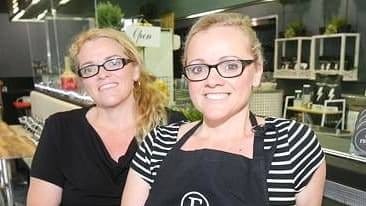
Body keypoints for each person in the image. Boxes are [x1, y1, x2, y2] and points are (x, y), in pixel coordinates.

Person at [121, 12, 326, 206]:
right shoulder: (158, 143)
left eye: (229, 66)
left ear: (257, 71)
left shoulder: (292, 144)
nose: (212, 80)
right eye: (198, 68)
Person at [26, 28, 186, 206]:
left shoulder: (172, 126)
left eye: (113, 62)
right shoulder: (60, 129)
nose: (102, 74)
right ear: (82, 81)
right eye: (89, 68)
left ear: (135, 71)